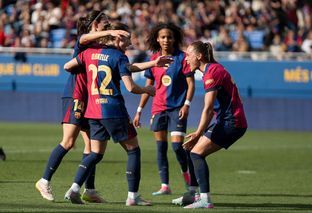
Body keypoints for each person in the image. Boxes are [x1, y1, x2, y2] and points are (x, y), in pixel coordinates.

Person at [35, 10, 129, 203]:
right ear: (95, 24)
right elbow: (84, 37)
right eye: (104, 23)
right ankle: (43, 181)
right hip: (75, 96)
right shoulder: (84, 42)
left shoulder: (99, 47)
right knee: (69, 141)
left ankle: (90, 190)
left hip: (91, 100)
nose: (108, 26)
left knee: (91, 147)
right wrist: (109, 34)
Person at [63, 22, 155, 206]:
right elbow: (130, 87)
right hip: (113, 109)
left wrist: (153, 63)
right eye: (128, 37)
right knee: (133, 150)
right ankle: (132, 196)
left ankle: (74, 189)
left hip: (93, 111)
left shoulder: (89, 52)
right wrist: (147, 89)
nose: (130, 41)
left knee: (95, 153)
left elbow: (67, 66)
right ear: (118, 37)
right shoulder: (119, 56)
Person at [181, 41, 247, 209]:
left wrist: (198, 132)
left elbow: (208, 109)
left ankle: (205, 200)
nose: (186, 59)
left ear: (199, 56)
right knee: (191, 149)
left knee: (196, 153)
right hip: (227, 121)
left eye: (189, 55)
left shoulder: (212, 72)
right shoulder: (212, 69)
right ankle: (194, 195)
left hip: (232, 122)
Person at [133, 22, 196, 196]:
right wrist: (139, 110)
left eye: (169, 36)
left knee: (177, 147)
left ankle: (189, 180)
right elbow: (148, 87)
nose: (166, 40)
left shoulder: (183, 58)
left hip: (177, 109)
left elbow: (191, 85)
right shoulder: (153, 59)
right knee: (161, 148)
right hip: (158, 109)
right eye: (163, 37)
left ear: (175, 38)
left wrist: (187, 104)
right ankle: (165, 186)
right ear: (157, 39)